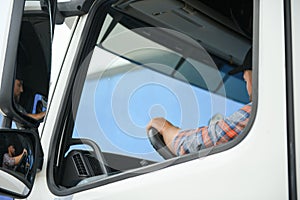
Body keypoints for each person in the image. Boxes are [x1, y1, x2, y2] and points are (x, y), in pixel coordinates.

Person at [146, 49, 253, 156]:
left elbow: (196, 145)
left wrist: (165, 129)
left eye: (245, 80)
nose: (246, 87)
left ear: (256, 75)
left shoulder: (256, 112)